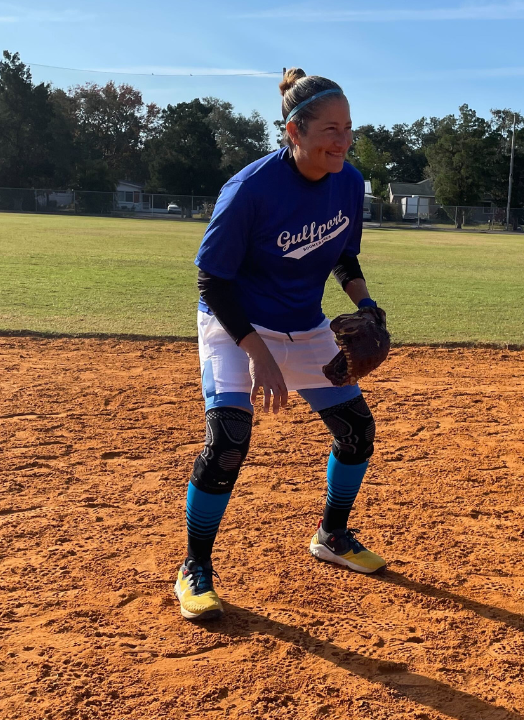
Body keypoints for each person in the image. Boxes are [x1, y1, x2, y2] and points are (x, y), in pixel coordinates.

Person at [174, 68, 387, 621]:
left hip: (304, 323)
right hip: (235, 324)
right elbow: (212, 282)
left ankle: (332, 536)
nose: (342, 141)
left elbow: (343, 255)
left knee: (357, 431)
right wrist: (259, 355)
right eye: (330, 130)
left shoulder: (348, 182)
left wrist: (366, 305)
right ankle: (194, 567)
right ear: (294, 131)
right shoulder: (250, 188)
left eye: (348, 128)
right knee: (229, 441)